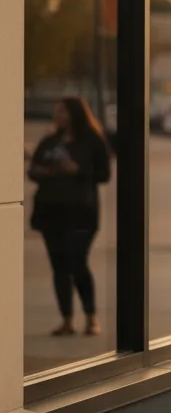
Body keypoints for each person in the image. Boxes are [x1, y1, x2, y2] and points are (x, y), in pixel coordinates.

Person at [27, 96, 112, 336]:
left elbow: (104, 174)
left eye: (63, 111)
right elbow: (33, 170)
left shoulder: (92, 140)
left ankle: (91, 317)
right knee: (59, 265)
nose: (58, 116)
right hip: (50, 211)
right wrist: (46, 171)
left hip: (81, 212)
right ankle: (67, 319)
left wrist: (77, 170)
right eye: (57, 111)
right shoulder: (50, 141)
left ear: (75, 113)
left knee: (77, 261)